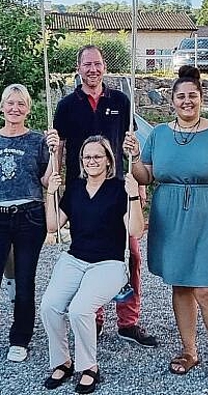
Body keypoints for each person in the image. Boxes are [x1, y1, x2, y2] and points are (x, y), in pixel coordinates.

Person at [125, 65, 208, 384]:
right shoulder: (160, 135)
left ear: (201, 98)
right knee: (180, 284)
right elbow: (146, 177)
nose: (187, 101)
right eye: (181, 96)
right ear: (172, 101)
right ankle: (189, 350)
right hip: (170, 216)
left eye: (193, 95)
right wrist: (135, 157)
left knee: (207, 288)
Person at [53, 44, 157, 347]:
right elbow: (59, 148)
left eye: (97, 64)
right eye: (86, 65)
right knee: (89, 256)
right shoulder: (67, 106)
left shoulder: (121, 101)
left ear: (104, 67)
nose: (92, 70)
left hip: (116, 189)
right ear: (78, 69)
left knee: (132, 255)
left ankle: (128, 321)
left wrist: (138, 186)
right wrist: (54, 181)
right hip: (82, 192)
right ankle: (93, 317)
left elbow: (129, 145)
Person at [40, 135, 145, 394]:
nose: (92, 161)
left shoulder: (120, 188)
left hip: (109, 263)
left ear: (109, 161)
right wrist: (50, 193)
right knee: (49, 306)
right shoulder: (75, 188)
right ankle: (62, 361)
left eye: (98, 156)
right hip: (75, 259)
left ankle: (88, 367)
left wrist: (133, 197)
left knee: (79, 310)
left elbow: (136, 230)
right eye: (87, 157)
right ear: (82, 161)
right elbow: (53, 225)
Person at [0, 84, 58, 364]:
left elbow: (46, 179)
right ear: (2, 107)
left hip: (30, 215)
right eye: (10, 103)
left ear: (28, 109)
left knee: (25, 281)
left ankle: (20, 339)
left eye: (21, 104)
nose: (15, 109)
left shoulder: (37, 141)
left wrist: (57, 152)